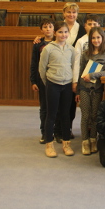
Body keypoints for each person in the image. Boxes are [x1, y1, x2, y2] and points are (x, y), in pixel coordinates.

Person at [39, 21, 76, 158]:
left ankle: (66, 143)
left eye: (65, 32)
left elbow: (73, 67)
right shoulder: (48, 49)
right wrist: (49, 82)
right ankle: (49, 143)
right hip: (52, 84)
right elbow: (42, 69)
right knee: (51, 114)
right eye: (60, 32)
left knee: (65, 115)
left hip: (67, 85)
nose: (63, 34)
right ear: (55, 33)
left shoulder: (71, 49)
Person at [76, 27, 105, 155]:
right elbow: (80, 72)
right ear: (90, 39)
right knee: (85, 116)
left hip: (97, 89)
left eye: (98, 37)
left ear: (103, 39)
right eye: (93, 38)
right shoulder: (86, 53)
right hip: (85, 88)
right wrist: (78, 91)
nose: (96, 40)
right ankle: (85, 141)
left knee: (95, 116)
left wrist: (92, 75)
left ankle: (93, 140)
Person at [30, 18, 55, 144]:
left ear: (54, 29)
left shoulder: (59, 41)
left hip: (56, 78)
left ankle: (56, 131)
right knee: (44, 107)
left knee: (55, 107)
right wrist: (33, 81)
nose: (48, 29)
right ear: (41, 30)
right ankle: (44, 132)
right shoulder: (38, 44)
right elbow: (34, 63)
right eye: (45, 27)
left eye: (50, 27)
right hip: (42, 80)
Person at [72, 14, 100, 95]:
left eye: (95, 24)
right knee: (85, 103)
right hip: (84, 77)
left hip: (99, 76)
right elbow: (77, 62)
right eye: (89, 24)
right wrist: (75, 81)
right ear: (85, 26)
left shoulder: (103, 40)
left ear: (99, 26)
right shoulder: (80, 41)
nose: (92, 26)